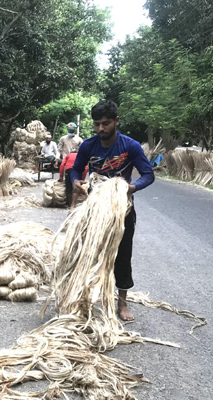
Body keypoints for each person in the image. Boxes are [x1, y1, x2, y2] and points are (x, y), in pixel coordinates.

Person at [70, 100, 155, 322]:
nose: (100, 129)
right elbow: (76, 169)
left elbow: (148, 174)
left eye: (105, 124)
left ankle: (122, 303)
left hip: (121, 210)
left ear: (116, 121)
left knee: (123, 255)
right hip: (95, 207)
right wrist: (76, 182)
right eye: (97, 124)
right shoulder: (88, 145)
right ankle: (83, 296)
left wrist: (131, 188)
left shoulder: (130, 146)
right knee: (87, 250)